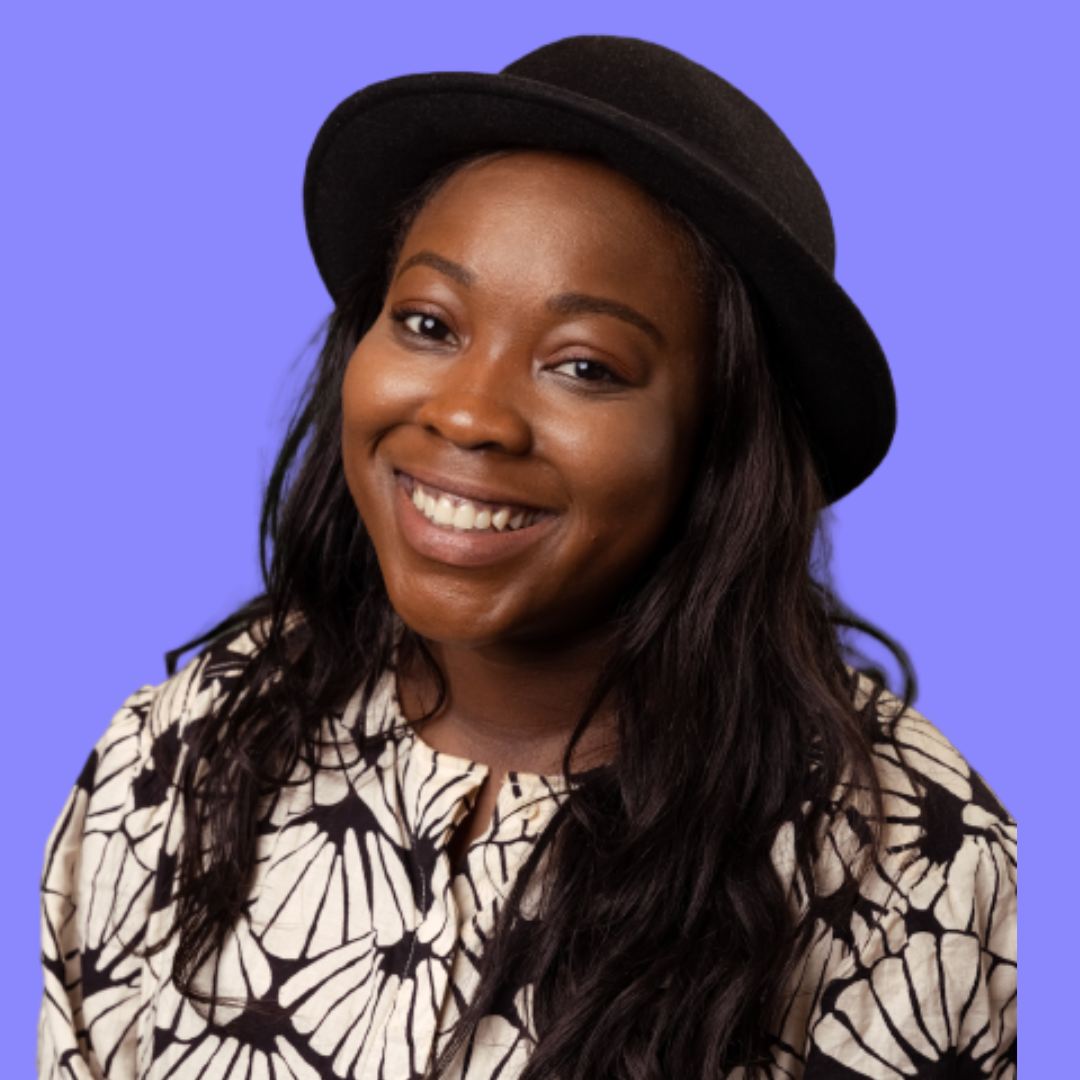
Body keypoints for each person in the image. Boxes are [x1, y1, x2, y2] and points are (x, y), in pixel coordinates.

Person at [38, 35, 1017, 1080]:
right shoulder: (178, 757)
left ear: (722, 443)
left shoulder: (912, 868)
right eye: (428, 322)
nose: (468, 414)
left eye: (584, 367)